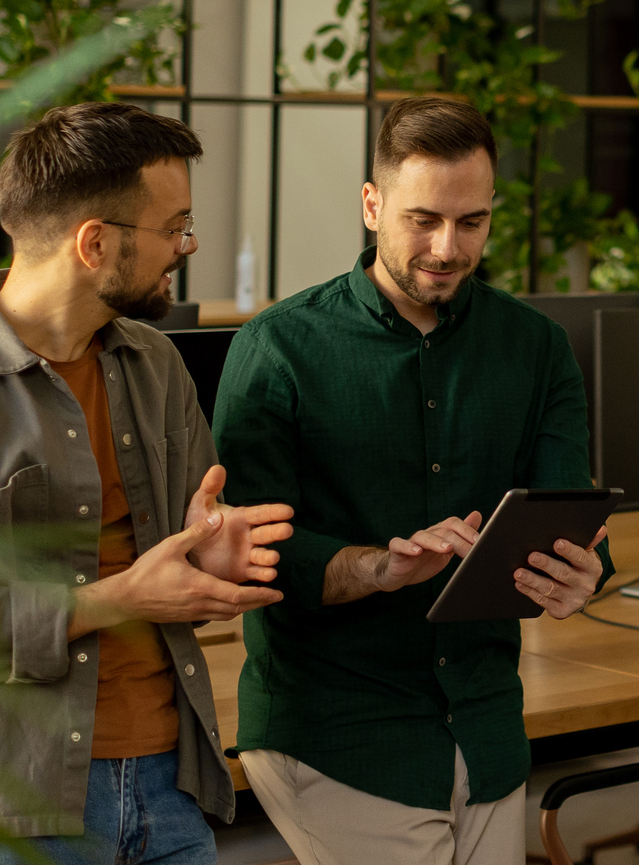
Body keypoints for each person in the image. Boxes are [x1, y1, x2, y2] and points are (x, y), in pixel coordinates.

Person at [0, 102, 294, 863]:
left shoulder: (154, 366)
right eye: (174, 228)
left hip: (171, 780)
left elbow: (173, 558)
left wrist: (206, 558)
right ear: (95, 244)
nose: (187, 247)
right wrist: (121, 597)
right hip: (5, 803)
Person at [213, 95, 609, 865]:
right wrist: (375, 567)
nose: (446, 247)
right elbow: (255, 556)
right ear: (371, 204)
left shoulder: (537, 347)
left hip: (486, 725)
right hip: (340, 726)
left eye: (472, 223)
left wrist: (580, 574)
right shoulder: (278, 347)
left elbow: (568, 512)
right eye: (421, 219)